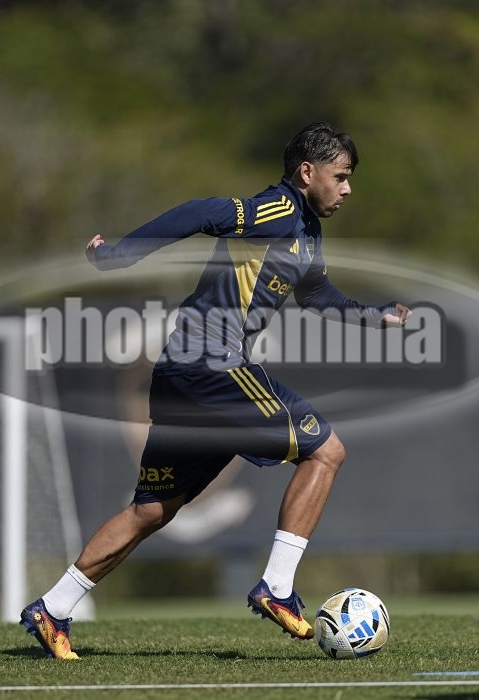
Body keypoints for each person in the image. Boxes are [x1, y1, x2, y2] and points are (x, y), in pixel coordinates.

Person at [20, 121, 411, 659]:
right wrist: (121, 254)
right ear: (307, 172)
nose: (347, 189)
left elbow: (317, 294)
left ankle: (53, 608)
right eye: (341, 176)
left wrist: (374, 315)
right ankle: (276, 587)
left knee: (152, 509)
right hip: (211, 365)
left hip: (183, 373)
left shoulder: (306, 232)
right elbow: (201, 211)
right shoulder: (277, 209)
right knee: (326, 451)